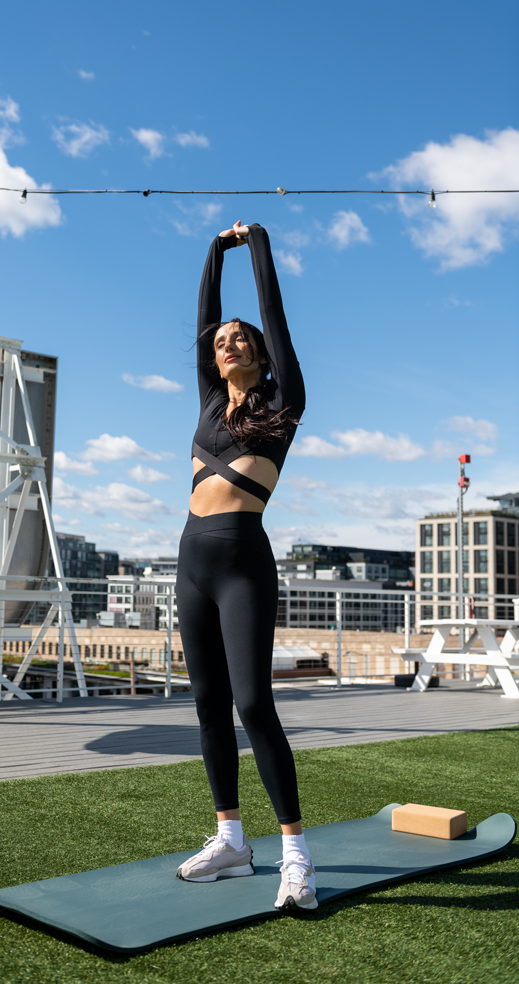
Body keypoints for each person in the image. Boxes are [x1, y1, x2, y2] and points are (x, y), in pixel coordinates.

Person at [175, 221, 316, 911]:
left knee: (253, 703)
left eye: (238, 340)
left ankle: (296, 857)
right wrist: (210, 252)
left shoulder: (283, 401)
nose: (225, 343)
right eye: (219, 342)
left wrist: (251, 243)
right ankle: (230, 839)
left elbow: (272, 314)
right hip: (189, 562)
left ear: (258, 355)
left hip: (241, 564)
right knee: (206, 705)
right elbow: (203, 319)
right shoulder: (208, 400)